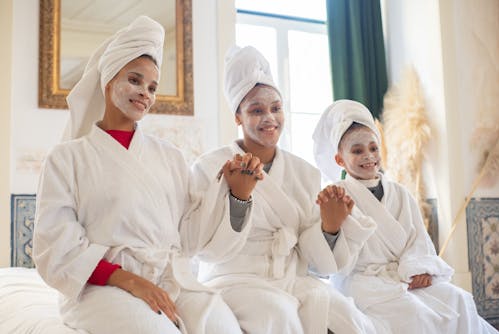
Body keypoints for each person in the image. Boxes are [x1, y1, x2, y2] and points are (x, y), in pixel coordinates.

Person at [33, 16, 241, 334]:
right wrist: (131, 281)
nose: (145, 92)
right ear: (108, 82)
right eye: (134, 80)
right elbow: (56, 248)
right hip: (97, 287)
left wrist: (235, 192)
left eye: (153, 87)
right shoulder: (67, 158)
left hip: (169, 279)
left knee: (223, 326)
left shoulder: (170, 156)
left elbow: (189, 235)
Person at [190, 46, 379, 334]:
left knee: (352, 320)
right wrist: (238, 200)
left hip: (291, 279)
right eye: (256, 110)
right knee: (278, 317)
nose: (270, 118)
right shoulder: (209, 166)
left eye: (276, 108)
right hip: (234, 279)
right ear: (238, 117)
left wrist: (329, 227)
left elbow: (316, 264)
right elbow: (204, 248)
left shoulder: (304, 173)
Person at [312, 99, 499, 333]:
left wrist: (418, 268)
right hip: (363, 281)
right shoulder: (336, 195)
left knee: (459, 299)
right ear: (340, 159)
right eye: (357, 150)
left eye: (373, 148)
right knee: (414, 314)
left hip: (404, 273)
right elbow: (333, 255)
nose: (368, 156)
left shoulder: (399, 193)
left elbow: (418, 239)